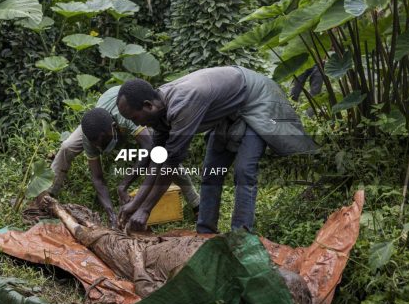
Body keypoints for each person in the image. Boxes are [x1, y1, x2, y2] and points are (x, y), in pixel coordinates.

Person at [116, 66, 318, 233]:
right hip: (228, 111)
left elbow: (171, 162)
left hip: (255, 98)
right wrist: (135, 205)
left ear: (148, 105)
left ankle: (241, 235)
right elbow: (158, 158)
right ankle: (205, 231)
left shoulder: (183, 102)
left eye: (134, 118)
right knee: (211, 172)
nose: (136, 123)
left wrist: (146, 209)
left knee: (244, 171)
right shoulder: (159, 110)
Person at [49, 86, 200, 227]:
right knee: (66, 147)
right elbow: (98, 178)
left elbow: (149, 147)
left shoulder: (128, 115)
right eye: (97, 145)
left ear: (115, 129)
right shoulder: (90, 138)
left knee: (165, 155)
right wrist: (111, 214)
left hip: (127, 114)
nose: (100, 148)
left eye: (103, 142)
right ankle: (47, 195)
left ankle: (196, 203)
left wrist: (124, 184)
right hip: (99, 122)